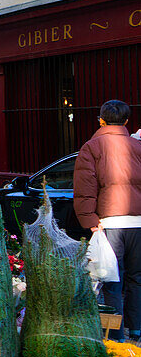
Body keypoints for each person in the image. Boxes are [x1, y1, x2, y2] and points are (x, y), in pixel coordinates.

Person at [73, 99, 141, 341]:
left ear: (101, 119)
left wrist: (89, 218)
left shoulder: (92, 147)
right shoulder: (137, 146)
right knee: (137, 279)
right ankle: (136, 330)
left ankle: (115, 334)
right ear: (126, 121)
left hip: (109, 223)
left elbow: (85, 187)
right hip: (138, 224)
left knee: (111, 279)